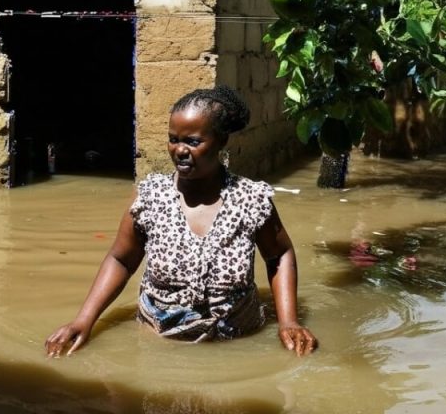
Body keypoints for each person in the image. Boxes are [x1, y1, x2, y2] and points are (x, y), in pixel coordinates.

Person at [45, 85, 317, 357]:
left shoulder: (250, 200)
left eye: (194, 141)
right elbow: (121, 260)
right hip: (158, 343)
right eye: (173, 139)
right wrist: (84, 320)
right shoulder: (150, 197)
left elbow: (279, 254)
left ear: (221, 141)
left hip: (237, 342)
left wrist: (288, 321)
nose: (180, 150)